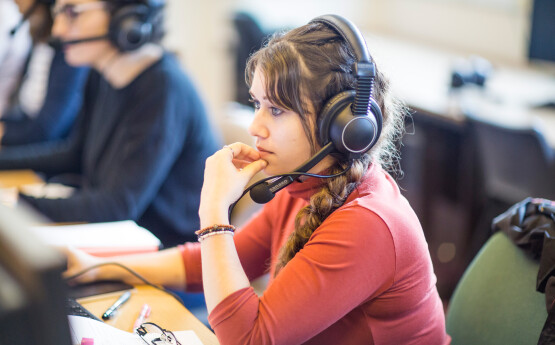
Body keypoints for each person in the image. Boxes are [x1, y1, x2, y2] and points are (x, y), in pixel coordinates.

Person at [63, 15, 450, 344]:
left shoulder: (368, 223)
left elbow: (249, 338)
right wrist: (98, 265)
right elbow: (207, 265)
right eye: (257, 104)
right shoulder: (306, 184)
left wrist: (214, 212)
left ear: (345, 128)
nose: (255, 126)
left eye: (277, 111)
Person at [0, 0, 220, 247]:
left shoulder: (163, 89)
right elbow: (74, 154)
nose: (58, 30)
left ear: (128, 18)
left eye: (72, 13)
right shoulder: (101, 72)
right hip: (117, 242)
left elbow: (116, 205)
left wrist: (15, 204)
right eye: (58, 14)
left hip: (165, 261)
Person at [0, 0, 89, 146]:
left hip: (45, 152)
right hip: (27, 139)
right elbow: (25, 115)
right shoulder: (39, 39)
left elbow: (46, 130)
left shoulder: (70, 53)